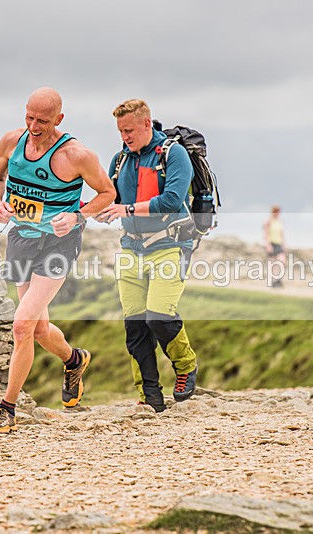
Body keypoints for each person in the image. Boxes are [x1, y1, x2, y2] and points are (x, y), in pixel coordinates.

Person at [0, 87, 116, 435]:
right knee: (39, 329)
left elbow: (108, 193)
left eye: (42, 120)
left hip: (58, 243)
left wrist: (78, 216)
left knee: (22, 325)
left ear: (59, 119)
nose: (34, 126)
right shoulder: (11, 142)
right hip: (22, 239)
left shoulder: (76, 155)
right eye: (29, 117)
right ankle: (74, 359)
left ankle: (6, 410)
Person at [96, 99, 199, 413]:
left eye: (129, 130)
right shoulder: (119, 161)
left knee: (158, 316)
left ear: (145, 124)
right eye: (120, 131)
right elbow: (109, 200)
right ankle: (150, 395)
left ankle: (186, 365)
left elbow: (171, 200)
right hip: (131, 249)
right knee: (136, 326)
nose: (124, 136)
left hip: (170, 246)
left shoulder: (173, 154)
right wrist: (80, 212)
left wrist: (126, 209)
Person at [263, 205, 285, 288]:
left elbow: (282, 233)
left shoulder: (280, 221)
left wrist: (284, 244)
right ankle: (273, 281)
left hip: (279, 243)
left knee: (281, 261)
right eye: (276, 211)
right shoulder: (268, 221)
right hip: (271, 243)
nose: (277, 213)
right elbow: (266, 233)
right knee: (272, 264)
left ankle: (278, 279)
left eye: (278, 211)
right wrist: (268, 244)